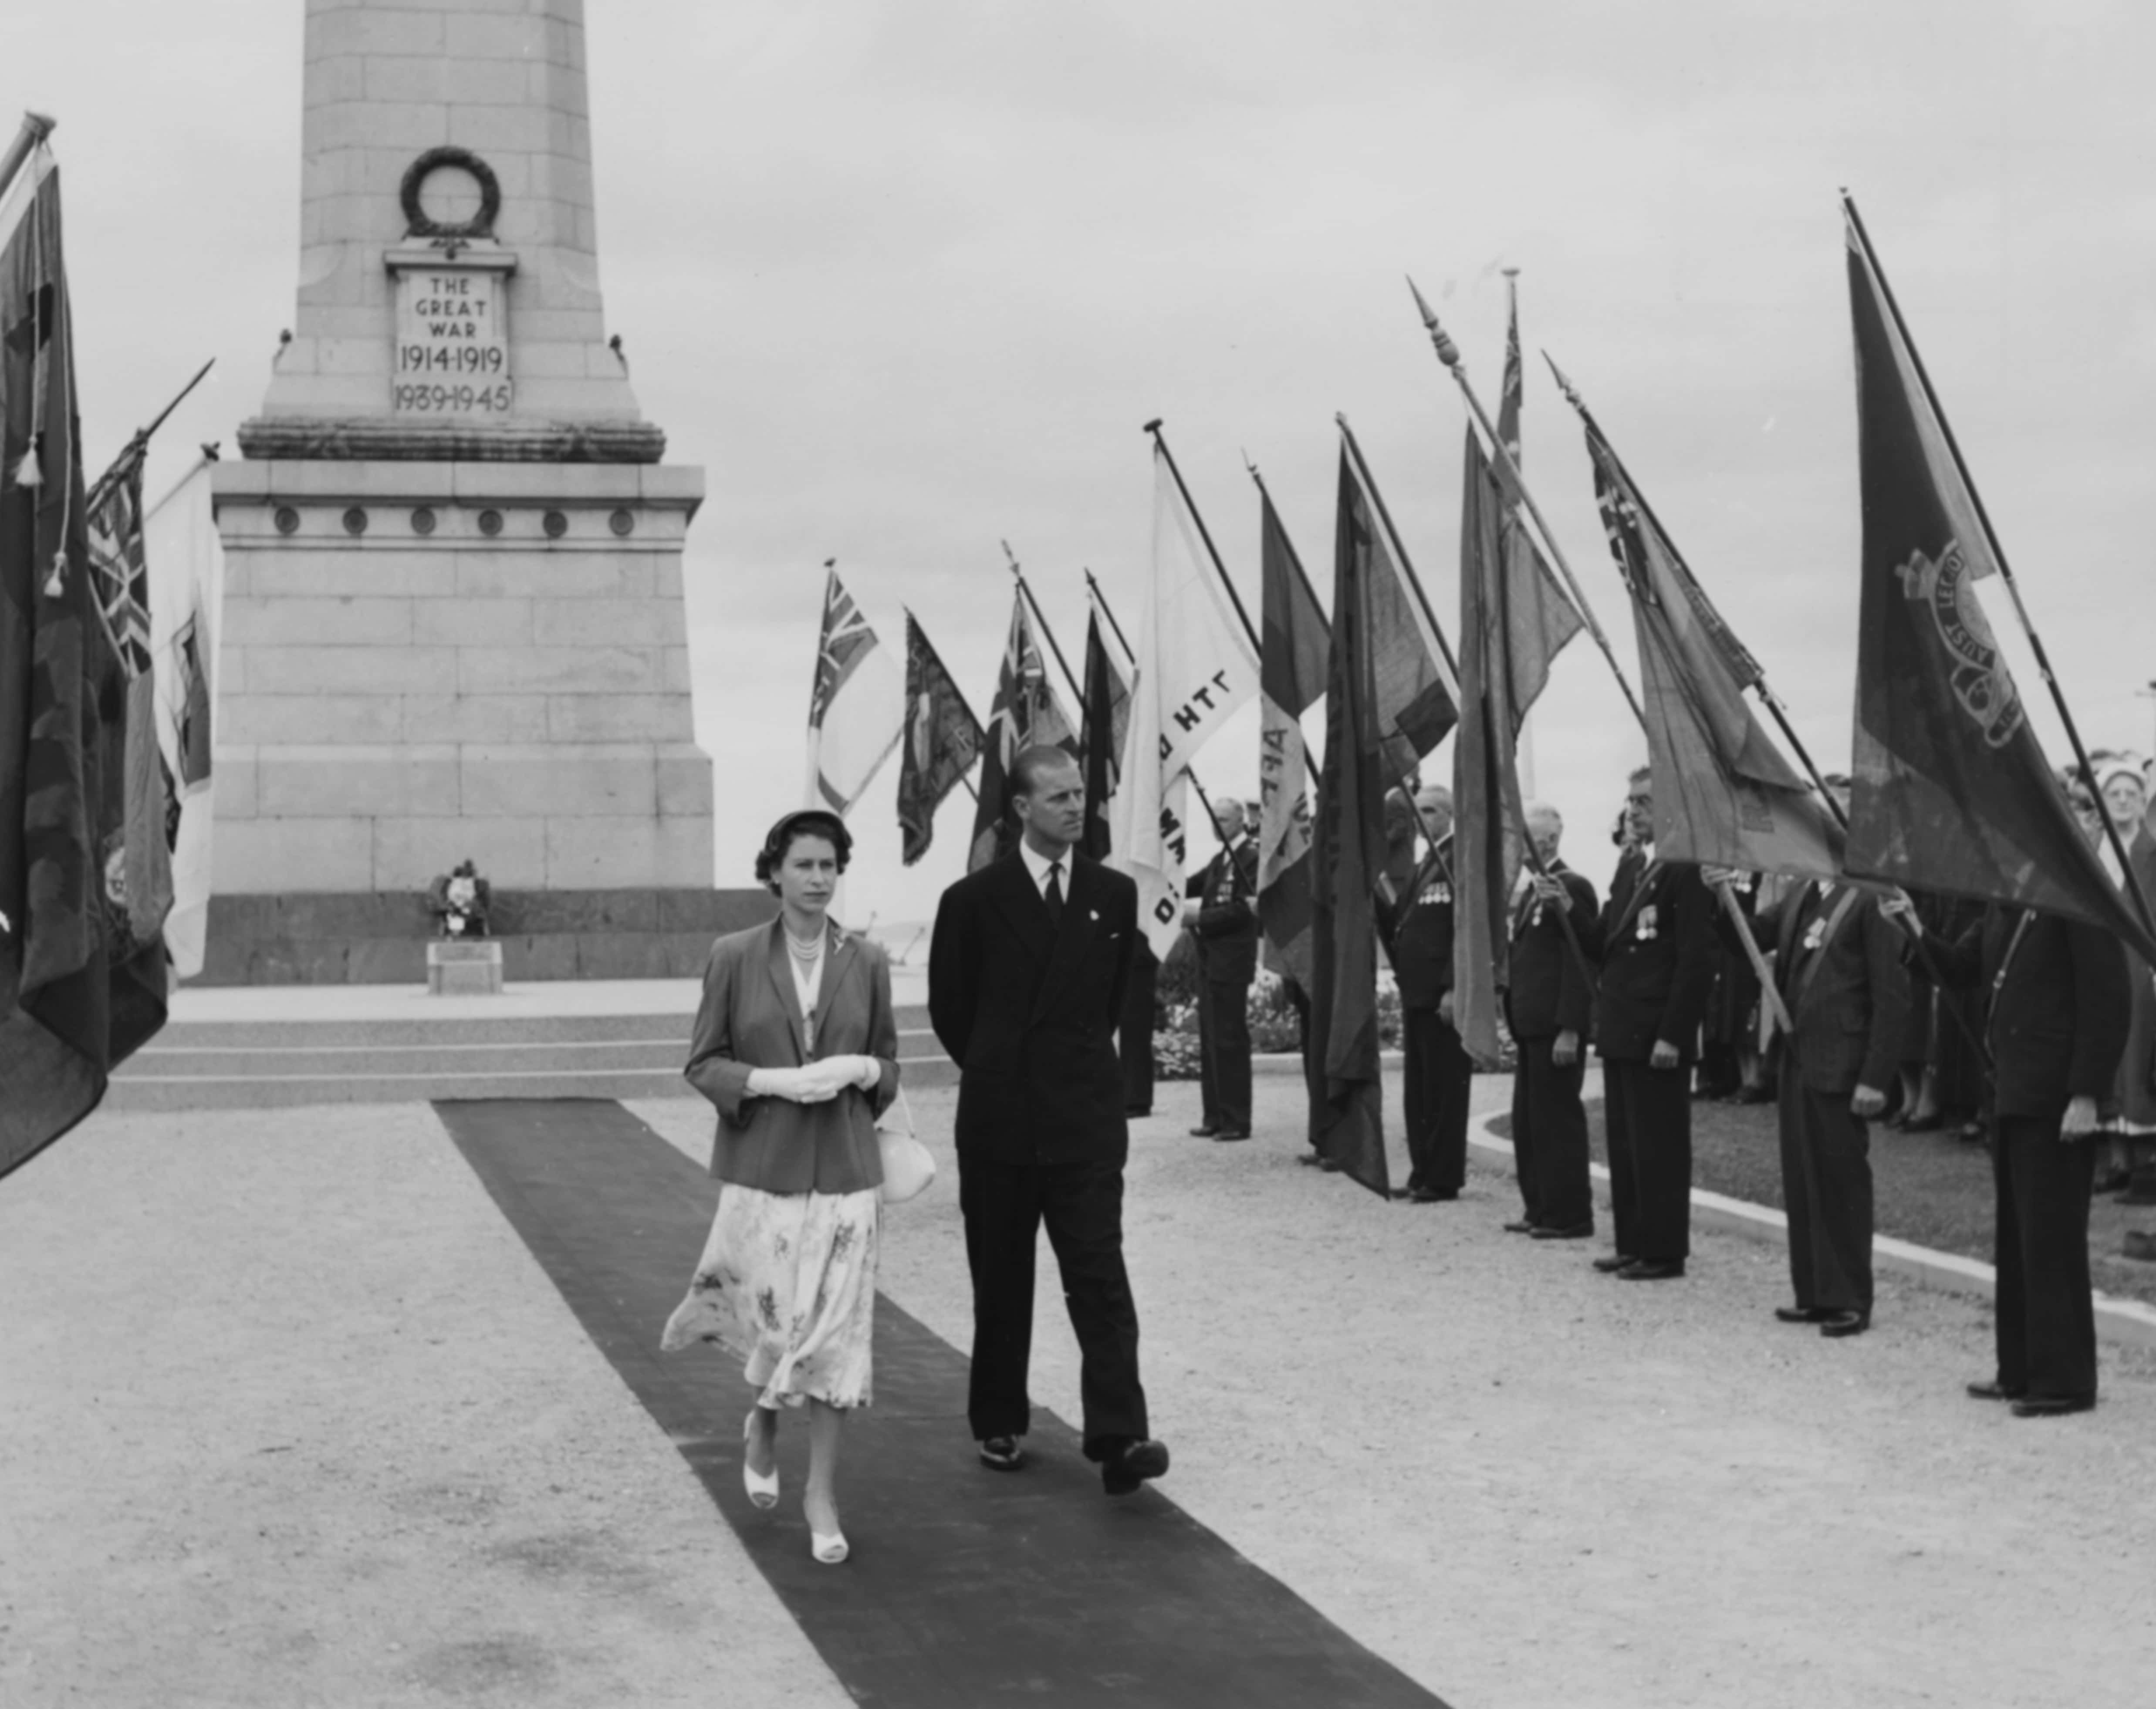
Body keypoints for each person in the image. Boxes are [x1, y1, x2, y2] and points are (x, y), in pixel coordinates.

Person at [927, 745, 1170, 1496]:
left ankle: (1120, 1435)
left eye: (1079, 794)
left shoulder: (1112, 893)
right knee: (1002, 1279)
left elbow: (1102, 1011)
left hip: (1084, 1121)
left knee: (1100, 1277)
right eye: (1058, 796)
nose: (1075, 806)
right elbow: (952, 1010)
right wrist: (1006, 1070)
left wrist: (1070, 1076)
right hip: (1002, 1121)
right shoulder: (972, 899)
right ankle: (1000, 1418)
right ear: (1022, 808)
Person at [659, 809, 899, 1567]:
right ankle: (762, 1417)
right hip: (764, 1172)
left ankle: (821, 1493)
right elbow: (704, 1062)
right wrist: (770, 1081)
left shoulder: (867, 959)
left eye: (830, 864)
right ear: (775, 872)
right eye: (804, 864)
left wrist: (864, 1071)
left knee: (835, 1339)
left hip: (847, 1172)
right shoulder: (733, 955)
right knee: (780, 1326)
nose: (819, 878)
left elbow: (889, 1065)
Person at [1886, 775, 2130, 1416]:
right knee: (2017, 1242)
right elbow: (1962, 969)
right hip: (2012, 1089)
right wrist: (1911, 925)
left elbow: (2107, 1004)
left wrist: (2086, 1095)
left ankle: (2065, 1381)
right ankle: (2018, 1368)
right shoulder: (2008, 899)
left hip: (2055, 1095)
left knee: (2051, 1241)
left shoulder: (2078, 896)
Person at [1714, 777, 1911, 1337]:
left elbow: (1893, 999)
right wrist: (1724, 896)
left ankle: (1850, 1297)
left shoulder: (1874, 896)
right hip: (1799, 1057)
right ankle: (1815, 1290)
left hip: (1845, 1064)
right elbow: (1751, 937)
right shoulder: (1805, 891)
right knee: (1804, 1180)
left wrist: (1877, 1076)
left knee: (1843, 1182)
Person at [1587, 766, 1717, 1279]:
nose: (1632, 810)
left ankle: (1663, 1250)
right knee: (1626, 1144)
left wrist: (1673, 1034)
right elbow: (1605, 943)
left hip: (1656, 1033)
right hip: (1623, 1029)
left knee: (1658, 1146)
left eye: (1642, 801)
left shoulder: (1685, 869)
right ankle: (1633, 1241)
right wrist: (1565, 910)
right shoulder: (1632, 868)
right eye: (1630, 800)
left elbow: (1695, 961)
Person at [1508, 803, 1600, 1239]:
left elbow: (1578, 958)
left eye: (1526, 835)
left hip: (1555, 1026)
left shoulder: (1573, 886)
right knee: (1529, 1121)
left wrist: (1570, 1027)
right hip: (1531, 1024)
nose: (1519, 843)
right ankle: (1540, 1207)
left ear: (1547, 841)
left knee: (1557, 1121)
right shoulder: (1533, 890)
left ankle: (1569, 1214)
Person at [1377, 784, 1472, 1204]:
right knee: (1419, 1090)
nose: (1423, 820)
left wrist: (1453, 985)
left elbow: (1465, 929)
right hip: (1416, 992)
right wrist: (1374, 893)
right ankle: (1422, 1170)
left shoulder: (1460, 861)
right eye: (1419, 812)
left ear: (1451, 815)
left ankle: (1444, 1176)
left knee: (1444, 1088)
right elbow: (1401, 922)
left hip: (1442, 996)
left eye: (1431, 811)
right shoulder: (1424, 865)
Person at [2090, 753, 2156, 1206]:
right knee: (2106, 1053)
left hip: (2141, 964)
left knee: (2140, 1056)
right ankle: (2115, 1158)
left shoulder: (2152, 851)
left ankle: (2143, 1162)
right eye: (2115, 794)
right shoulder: (2093, 848)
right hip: (2098, 962)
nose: (2123, 801)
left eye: (2131, 794)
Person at [1183, 797, 1259, 1141]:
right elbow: (1190, 885)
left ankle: (1236, 1120)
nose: (1218, 825)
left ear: (1241, 821)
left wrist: (1200, 917)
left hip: (1232, 961)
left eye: (1225, 819)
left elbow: (1245, 911)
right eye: (1214, 819)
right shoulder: (1220, 859)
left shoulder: (1251, 859)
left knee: (1229, 1039)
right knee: (1211, 1040)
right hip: (1210, 960)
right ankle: (1214, 1116)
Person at [1119, 936, 1159, 1117]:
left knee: (1136, 1033)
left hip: (1139, 958)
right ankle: (1130, 1096)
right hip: (1126, 957)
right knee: (1130, 1034)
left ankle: (1137, 1100)